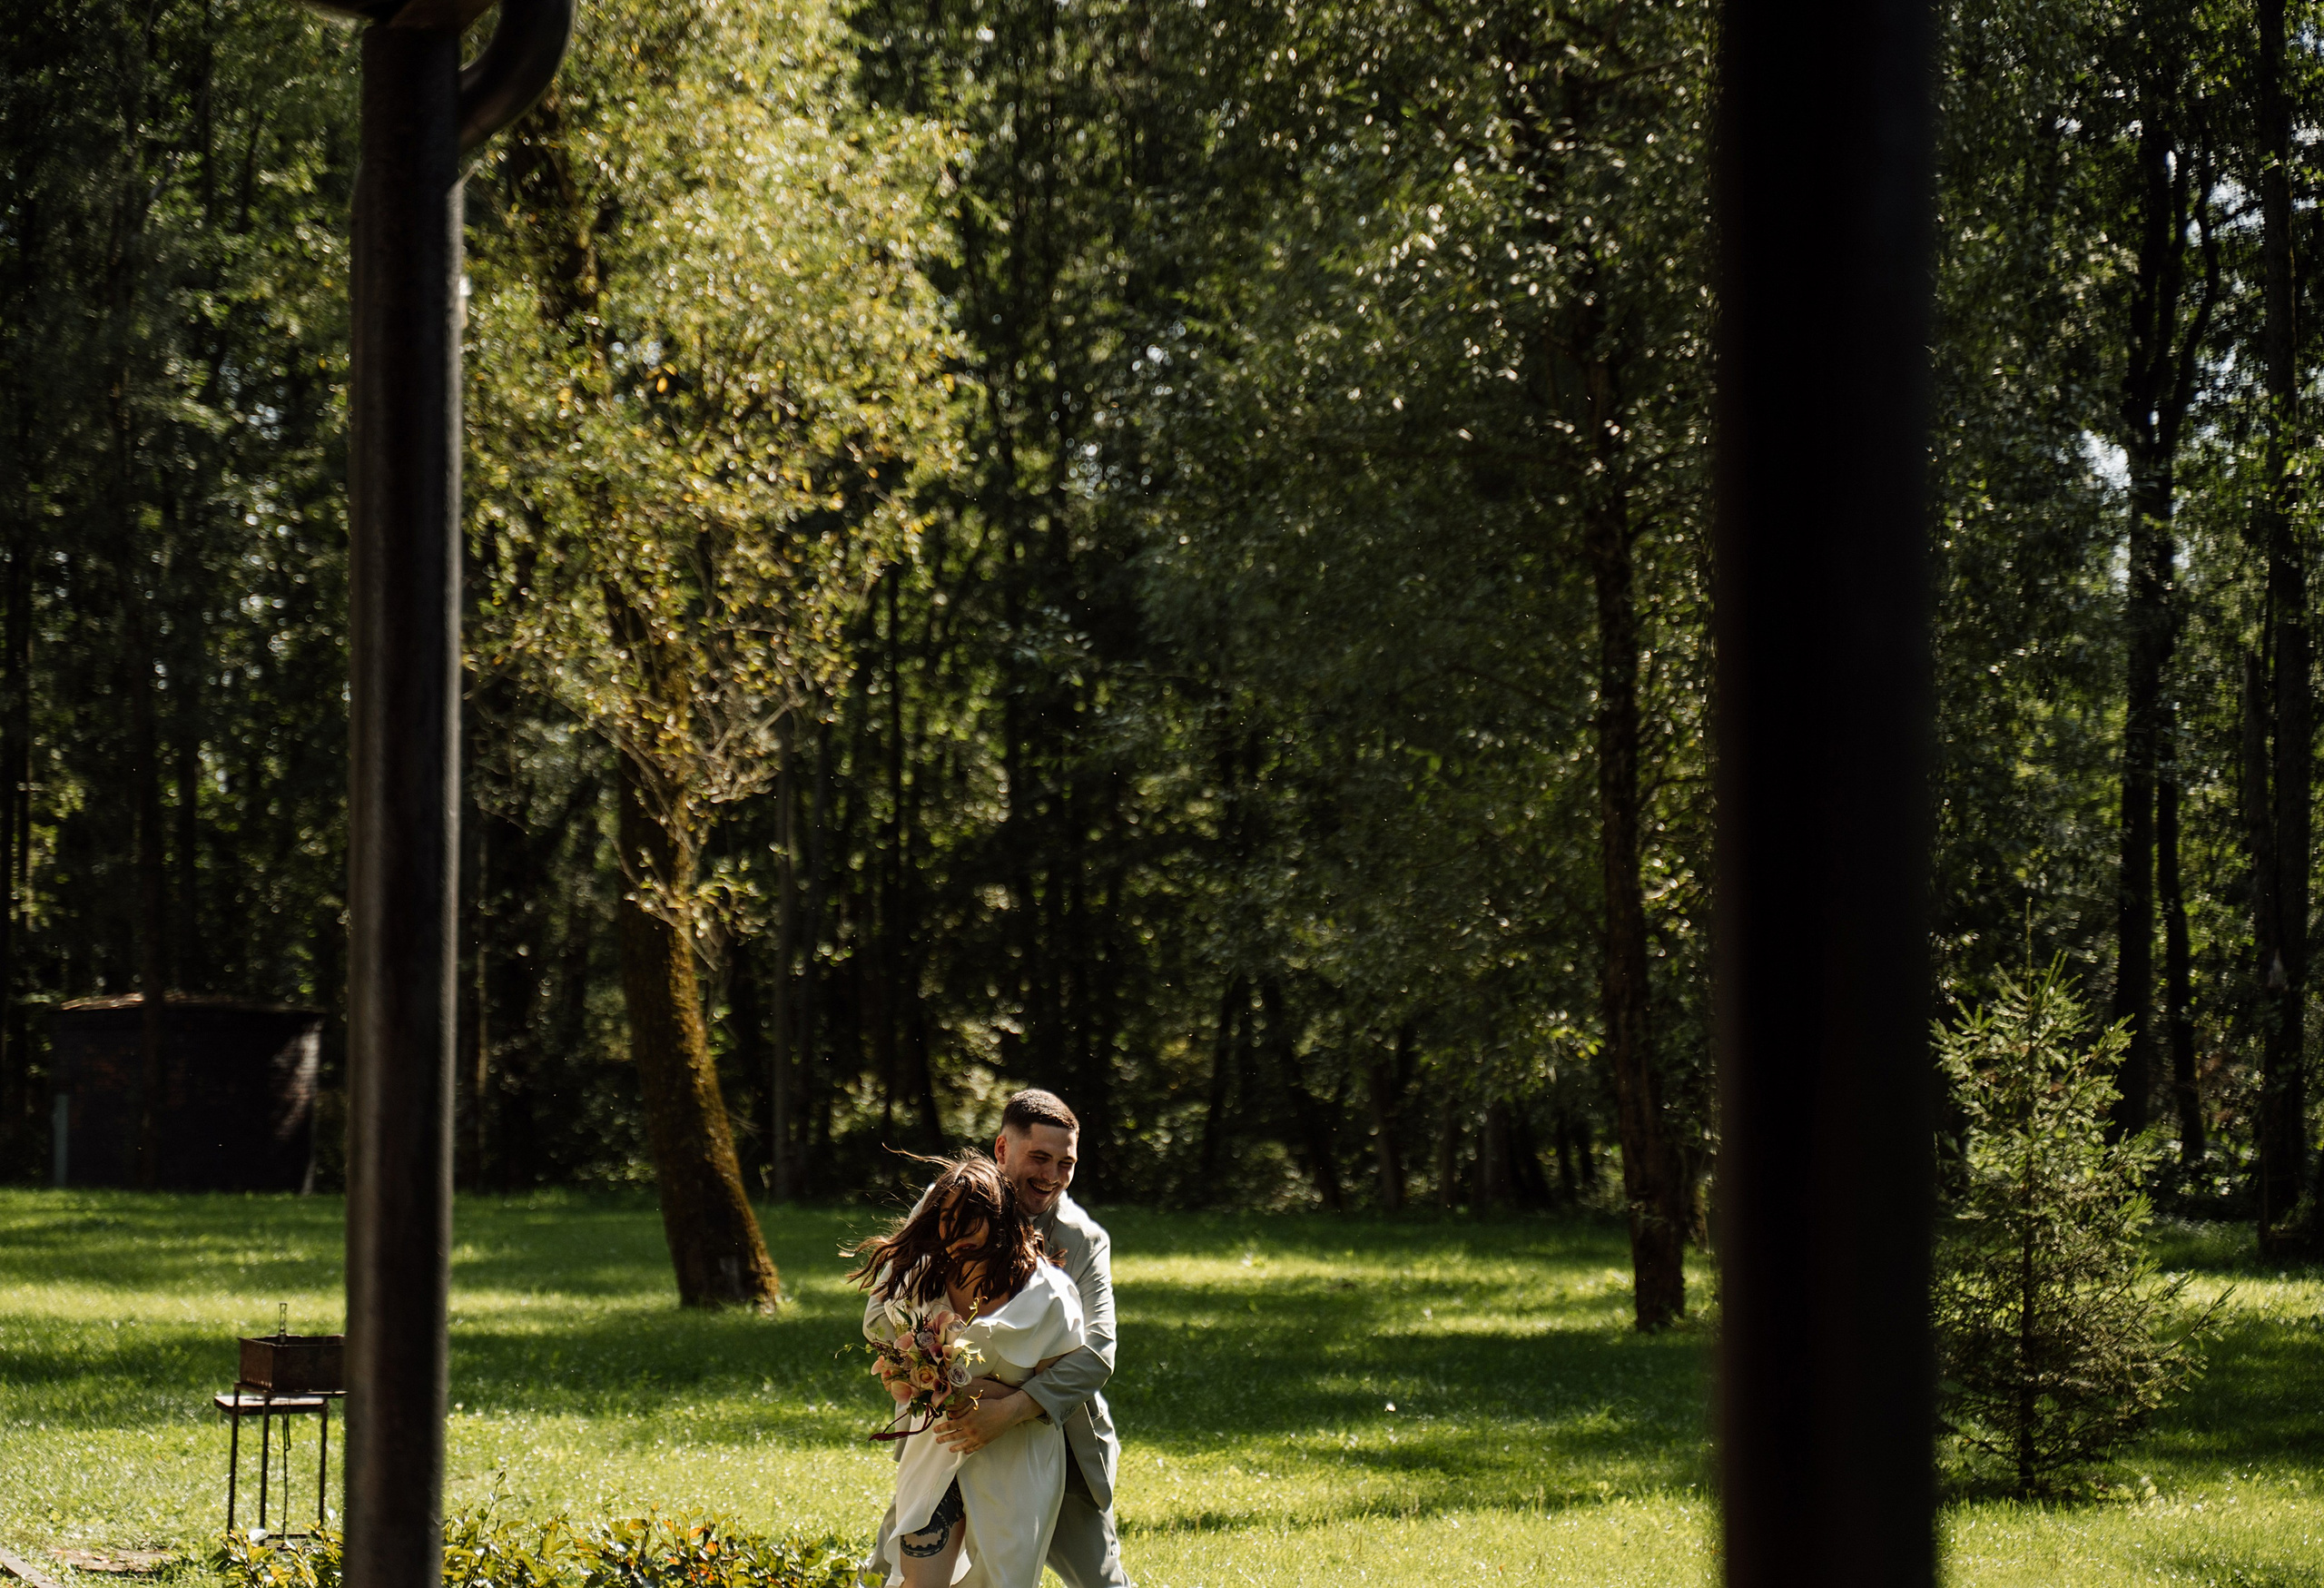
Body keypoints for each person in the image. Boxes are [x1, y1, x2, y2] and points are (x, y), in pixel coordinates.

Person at [863, 1090, 1132, 1588]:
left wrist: (1012, 1408)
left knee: (1099, 1581)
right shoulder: (946, 1203)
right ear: (1003, 1150)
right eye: (1039, 1158)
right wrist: (947, 1383)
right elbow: (885, 1314)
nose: (1051, 1176)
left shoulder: (1082, 1240)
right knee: (896, 1570)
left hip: (1050, 1438)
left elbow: (1096, 1354)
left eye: (1066, 1163)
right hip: (943, 1435)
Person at [852, 1153, 1085, 1588]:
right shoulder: (920, 1281)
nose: (956, 1231)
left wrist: (999, 1398)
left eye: (972, 1218)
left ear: (1001, 1218)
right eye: (947, 1217)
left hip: (1016, 1461)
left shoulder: (1047, 1297)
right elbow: (888, 1341)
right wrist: (903, 1372)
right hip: (936, 1448)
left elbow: (1063, 1385)